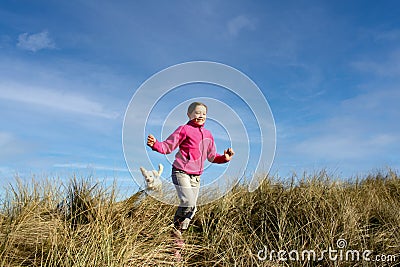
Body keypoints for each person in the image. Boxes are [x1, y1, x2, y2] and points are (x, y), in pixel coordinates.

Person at [146, 102, 234, 235]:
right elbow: (168, 146)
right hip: (181, 171)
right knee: (188, 202)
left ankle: (178, 236)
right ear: (189, 114)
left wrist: (224, 158)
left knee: (192, 208)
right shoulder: (184, 129)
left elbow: (211, 156)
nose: (201, 116)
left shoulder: (208, 134)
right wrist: (156, 145)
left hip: (196, 177)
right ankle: (175, 231)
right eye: (197, 113)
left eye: (204, 114)